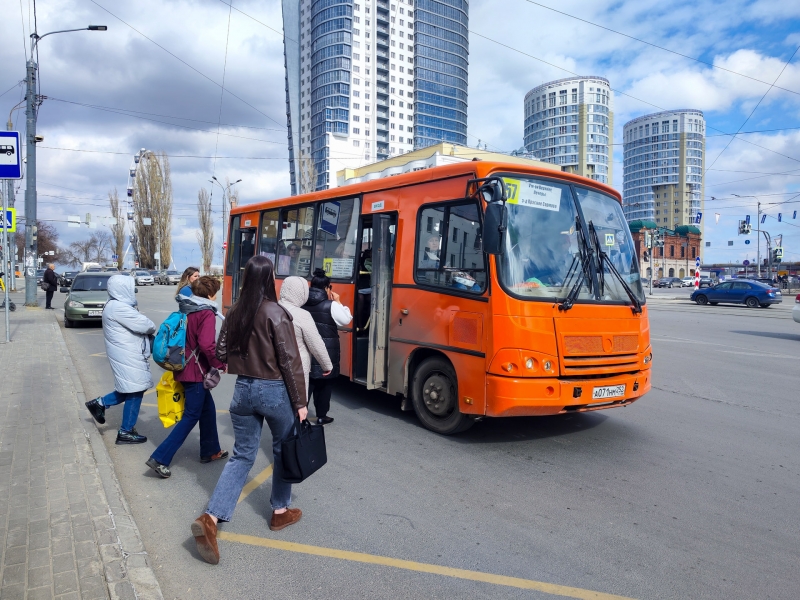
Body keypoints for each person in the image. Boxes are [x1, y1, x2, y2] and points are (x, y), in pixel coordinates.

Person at [191, 255, 307, 565]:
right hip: (272, 389)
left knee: (242, 455)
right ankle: (280, 512)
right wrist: (301, 403)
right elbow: (289, 361)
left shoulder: (235, 311)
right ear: (270, 278)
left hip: (242, 390)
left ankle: (211, 518)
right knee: (284, 448)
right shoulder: (276, 313)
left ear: (245, 279)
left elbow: (220, 351)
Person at [146, 276, 228, 479]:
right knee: (191, 416)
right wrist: (220, 364)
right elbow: (207, 345)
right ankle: (159, 458)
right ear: (210, 294)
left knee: (207, 409)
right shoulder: (206, 313)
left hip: (182, 367)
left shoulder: (187, 308)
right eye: (216, 291)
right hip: (196, 372)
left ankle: (210, 451)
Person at [85, 275, 156, 444]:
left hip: (126, 352)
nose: (133, 291)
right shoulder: (119, 308)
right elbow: (148, 325)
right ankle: (125, 431)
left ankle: (100, 403)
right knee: (135, 389)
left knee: (131, 387)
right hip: (128, 353)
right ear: (123, 289)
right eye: (130, 288)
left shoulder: (115, 305)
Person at [303, 269, 353, 425]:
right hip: (326, 352)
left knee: (307, 383)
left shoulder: (302, 302)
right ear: (327, 288)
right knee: (324, 385)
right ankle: (321, 415)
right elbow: (346, 319)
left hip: (307, 350)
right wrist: (338, 301)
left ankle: (300, 414)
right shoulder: (330, 305)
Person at [278, 276, 333, 394]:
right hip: (297, 367)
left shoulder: (271, 309)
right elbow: (315, 343)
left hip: (272, 366)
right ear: (302, 293)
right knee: (297, 403)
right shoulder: (303, 315)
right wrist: (326, 364)